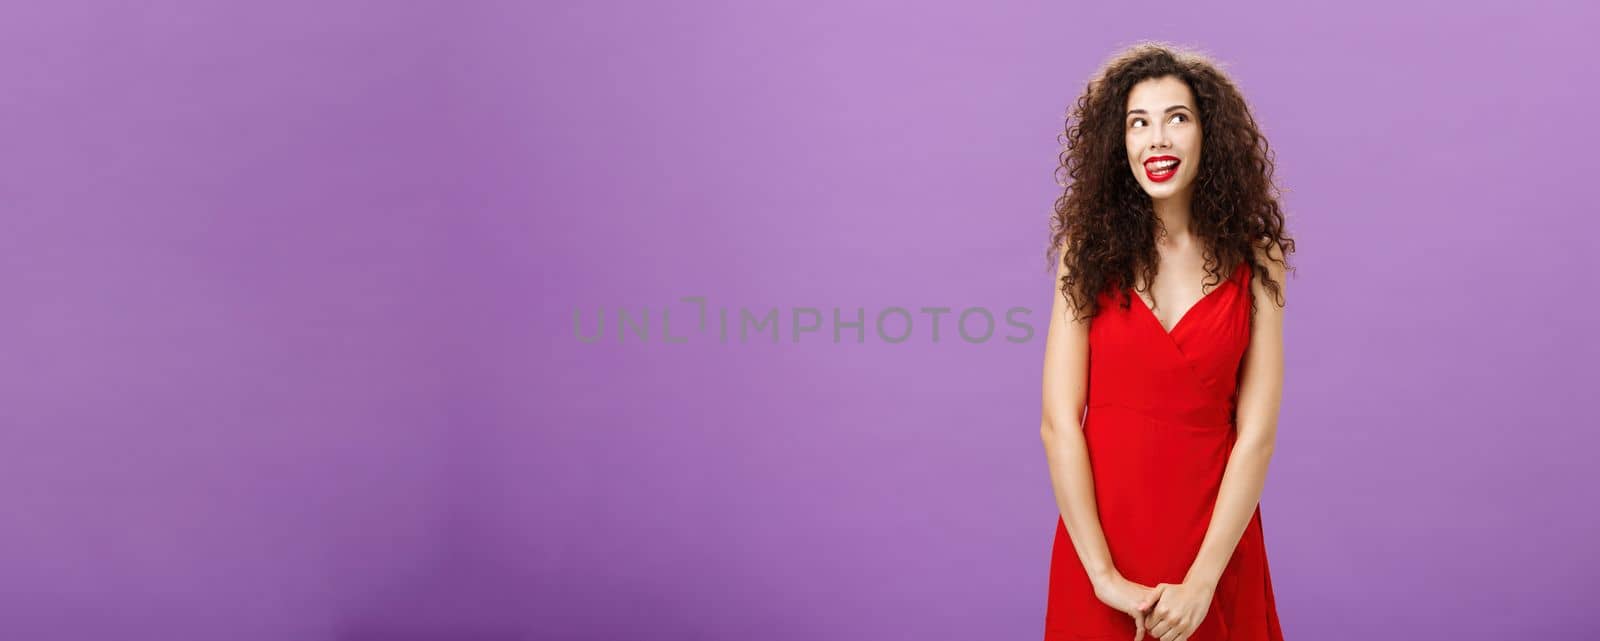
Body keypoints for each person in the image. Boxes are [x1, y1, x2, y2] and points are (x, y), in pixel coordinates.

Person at [1040, 42, 1295, 641]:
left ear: (1210, 135)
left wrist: (1204, 581)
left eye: (1177, 118)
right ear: (1118, 143)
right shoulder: (1088, 253)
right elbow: (1058, 421)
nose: (1157, 139)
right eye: (1139, 123)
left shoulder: (1258, 259)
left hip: (1215, 542)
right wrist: (1102, 576)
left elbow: (1256, 435)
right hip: (1104, 540)